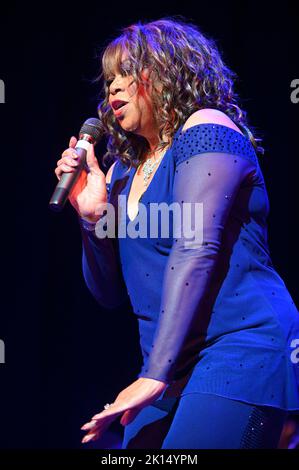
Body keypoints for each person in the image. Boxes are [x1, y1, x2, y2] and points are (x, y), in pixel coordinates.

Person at [54, 18, 299, 449]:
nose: (113, 88)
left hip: (239, 348)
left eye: (127, 72)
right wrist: (91, 220)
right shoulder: (122, 173)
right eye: (109, 78)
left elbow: (196, 245)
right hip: (168, 366)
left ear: (170, 71)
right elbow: (109, 293)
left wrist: (154, 374)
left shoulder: (207, 128)